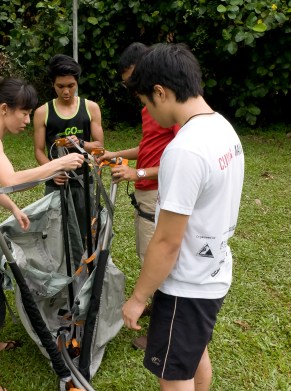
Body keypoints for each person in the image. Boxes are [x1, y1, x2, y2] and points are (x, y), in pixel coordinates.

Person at [0, 79, 84, 391]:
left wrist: (12, 207)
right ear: (4, 109)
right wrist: (57, 163)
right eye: (24, 113)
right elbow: (9, 177)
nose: (27, 120)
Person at [122, 43, 245, 391]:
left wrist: (138, 299)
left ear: (160, 92)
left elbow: (166, 241)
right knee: (194, 353)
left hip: (186, 285)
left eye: (147, 102)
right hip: (214, 272)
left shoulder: (185, 149)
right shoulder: (223, 129)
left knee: (173, 376)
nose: (149, 111)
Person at [96, 42, 180, 350]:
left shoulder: (170, 111)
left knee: (156, 259)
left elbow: (177, 160)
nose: (133, 88)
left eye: (134, 79)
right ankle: (155, 310)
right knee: (147, 255)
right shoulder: (149, 109)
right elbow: (147, 148)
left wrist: (138, 174)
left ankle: (162, 332)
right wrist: (115, 154)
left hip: (157, 192)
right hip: (145, 193)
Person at [33, 54, 104, 246]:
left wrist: (80, 143)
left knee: (87, 231)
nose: (66, 91)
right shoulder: (42, 112)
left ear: (77, 83)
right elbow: (39, 150)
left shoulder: (91, 108)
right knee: (56, 233)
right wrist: (52, 172)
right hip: (56, 181)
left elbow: (99, 146)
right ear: (53, 84)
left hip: (84, 181)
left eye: (71, 86)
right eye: (60, 86)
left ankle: (89, 269)